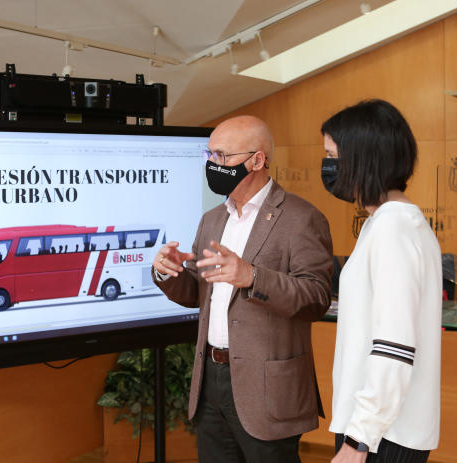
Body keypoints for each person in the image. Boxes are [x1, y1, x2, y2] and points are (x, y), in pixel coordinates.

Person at [153, 115, 333, 462]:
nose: (212, 164)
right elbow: (197, 293)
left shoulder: (300, 218)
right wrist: (169, 272)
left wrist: (252, 276)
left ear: (258, 160)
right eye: (209, 155)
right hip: (211, 383)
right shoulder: (213, 219)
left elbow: (316, 298)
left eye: (222, 156)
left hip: (268, 390)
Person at [320, 99, 441, 463]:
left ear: (362, 158)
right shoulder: (389, 222)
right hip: (379, 428)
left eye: (332, 156)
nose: (328, 167)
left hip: (381, 435)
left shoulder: (393, 227)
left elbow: (395, 345)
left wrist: (358, 440)